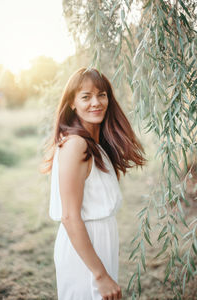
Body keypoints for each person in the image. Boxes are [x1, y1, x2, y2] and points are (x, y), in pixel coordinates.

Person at [42, 67, 146, 300]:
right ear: (72, 103)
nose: (96, 103)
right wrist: (100, 274)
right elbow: (69, 216)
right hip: (83, 250)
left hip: (99, 242)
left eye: (101, 94)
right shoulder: (75, 145)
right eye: (86, 96)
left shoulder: (93, 144)